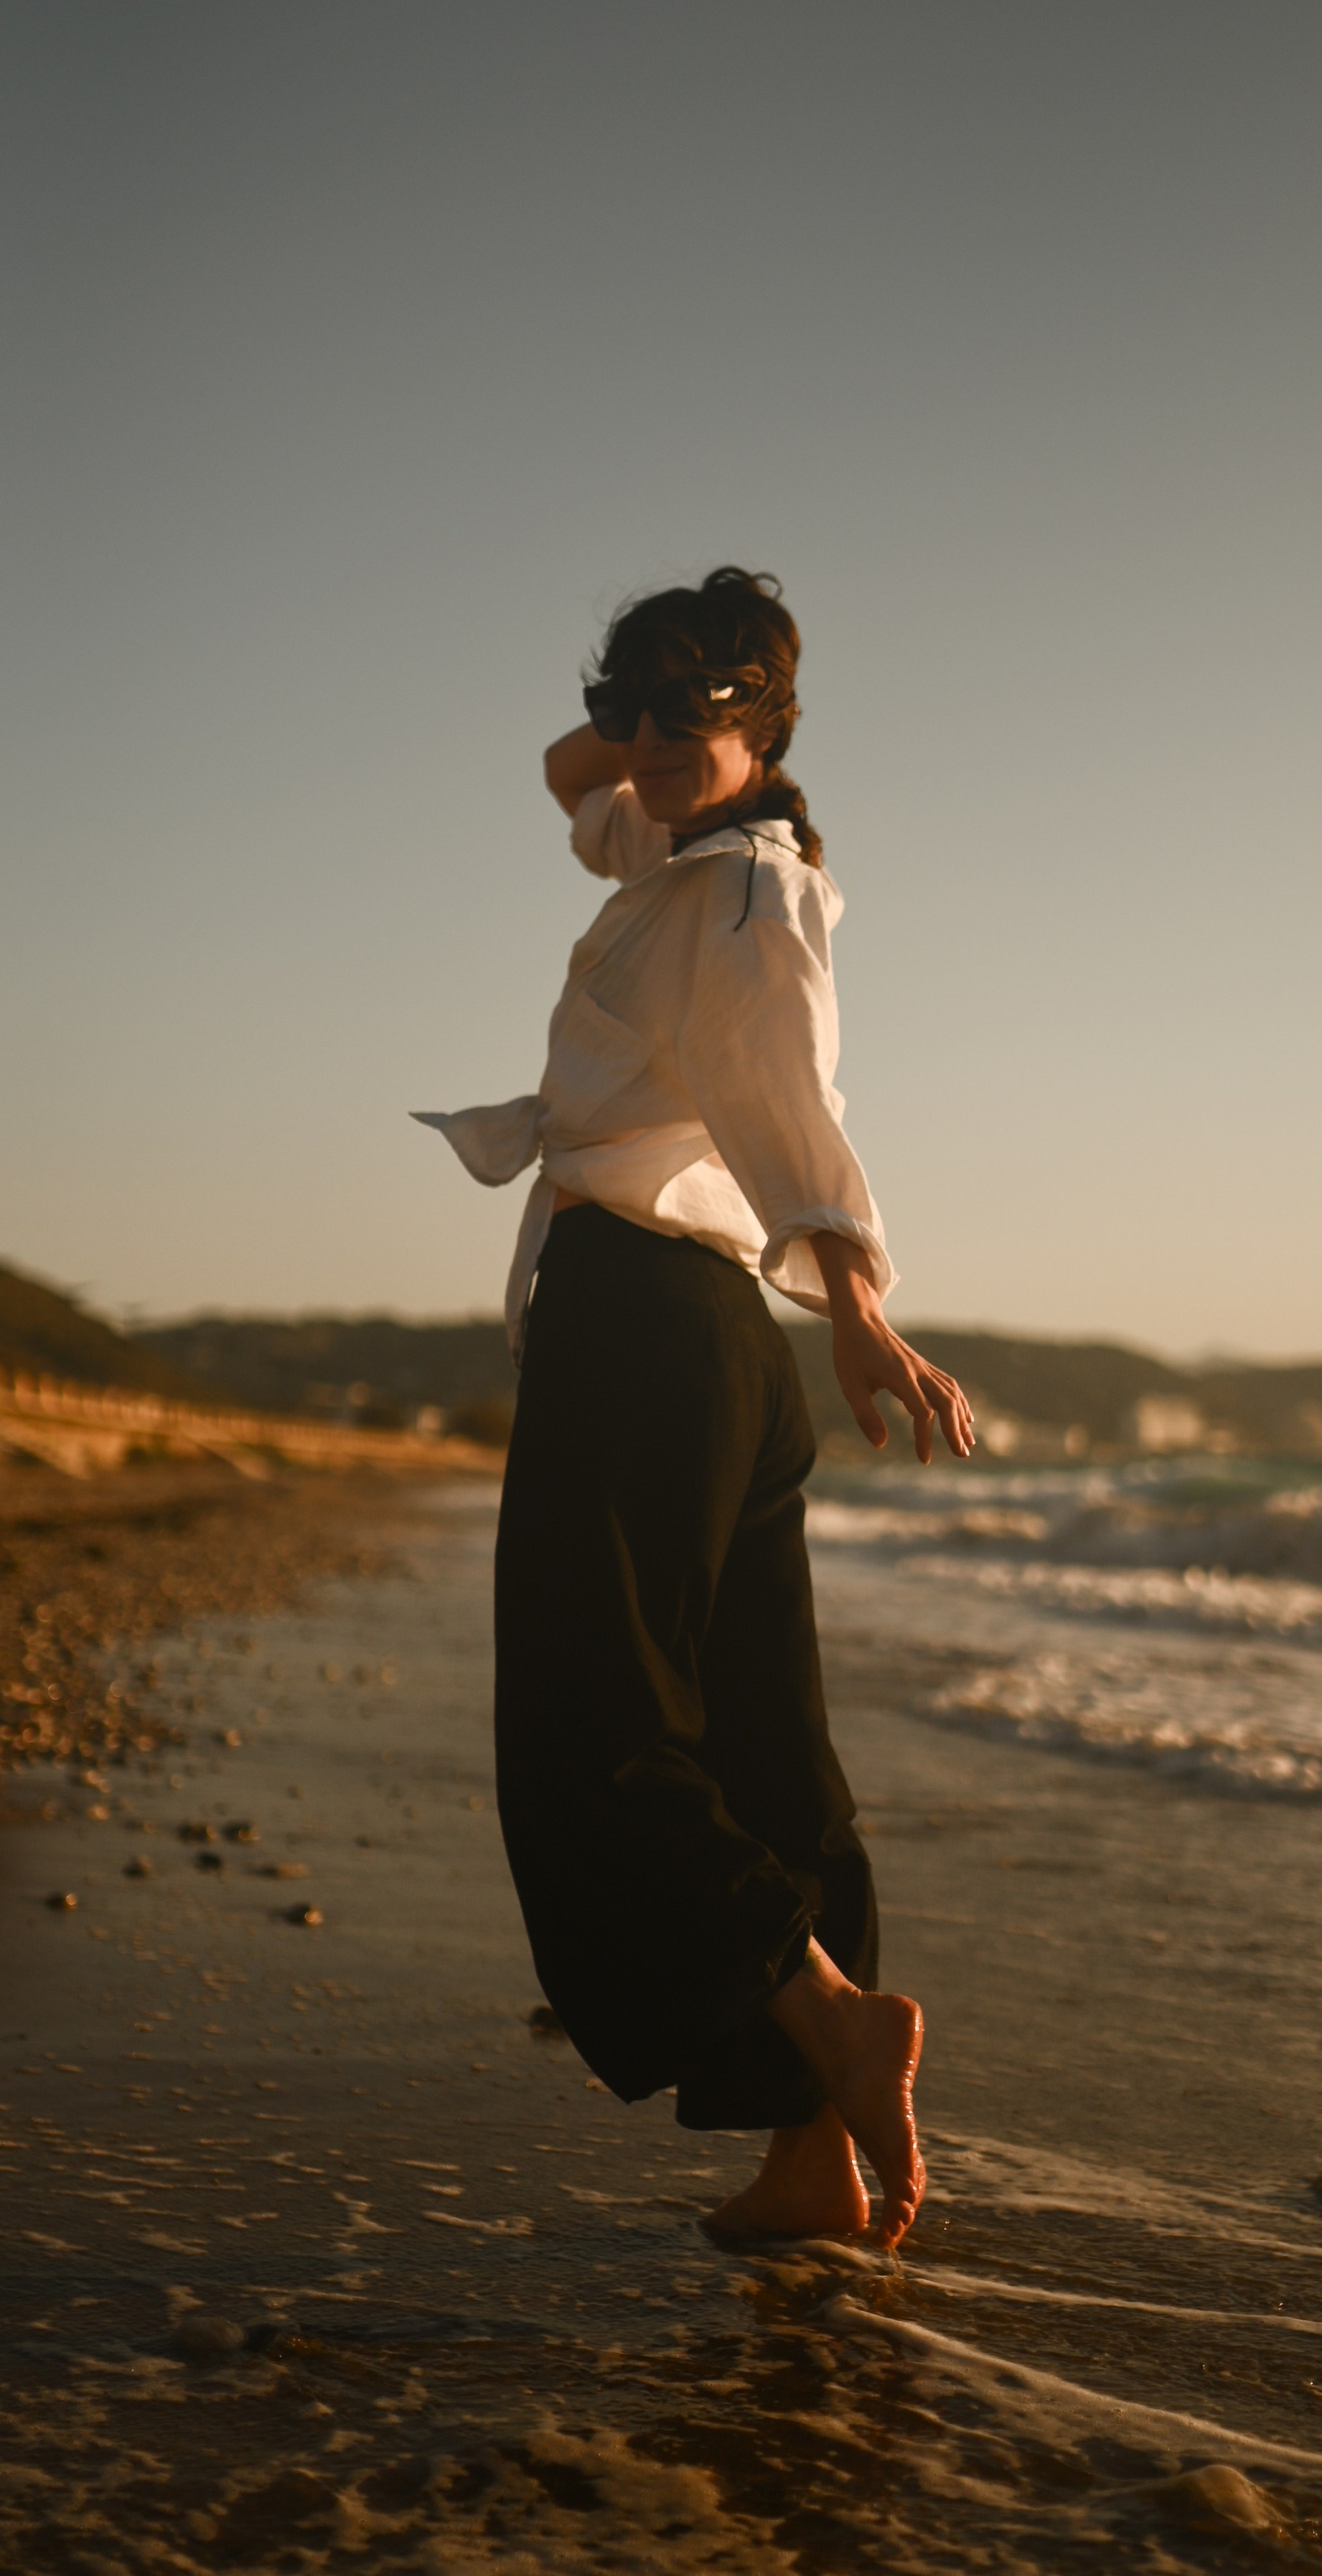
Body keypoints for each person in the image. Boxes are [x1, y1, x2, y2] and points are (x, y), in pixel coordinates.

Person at [415, 566, 972, 2249]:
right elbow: (564, 777)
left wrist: (864, 1306)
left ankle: (818, 2009)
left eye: (691, 711)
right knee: (764, 1749)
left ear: (768, 721)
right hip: (721, 1346)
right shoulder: (685, 849)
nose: (643, 743)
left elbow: (789, 1098)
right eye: (634, 705)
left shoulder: (738, 895)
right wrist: (675, 720)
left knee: (596, 1733)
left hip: (649, 1328)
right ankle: (809, 2161)